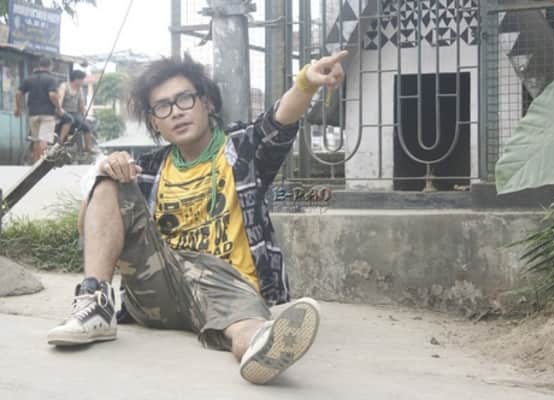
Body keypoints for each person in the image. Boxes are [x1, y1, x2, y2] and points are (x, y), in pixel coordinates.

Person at [47, 51, 347, 385]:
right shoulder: (146, 168)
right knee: (108, 179)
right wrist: (102, 174)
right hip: (159, 287)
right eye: (163, 107)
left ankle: (262, 348)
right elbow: (87, 230)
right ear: (154, 122)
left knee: (247, 327)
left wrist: (306, 83)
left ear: (207, 102)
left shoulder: (242, 149)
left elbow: (278, 120)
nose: (176, 112)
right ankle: (96, 306)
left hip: (226, 285)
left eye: (185, 99)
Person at [14, 57, 60, 162]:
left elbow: (18, 93)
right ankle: (41, 163)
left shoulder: (29, 79)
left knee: (36, 140)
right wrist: (59, 107)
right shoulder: (51, 79)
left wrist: (18, 108)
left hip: (33, 114)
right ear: (50, 66)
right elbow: (52, 95)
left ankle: (35, 163)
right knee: (44, 139)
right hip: (47, 114)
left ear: (40, 65)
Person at [56, 69, 95, 152]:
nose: (83, 82)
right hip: (64, 111)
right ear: (77, 79)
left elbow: (81, 104)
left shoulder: (79, 89)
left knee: (87, 126)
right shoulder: (64, 86)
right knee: (69, 119)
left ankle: (88, 147)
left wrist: (85, 114)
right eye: (82, 80)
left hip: (75, 113)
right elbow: (59, 101)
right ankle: (60, 142)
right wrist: (60, 110)